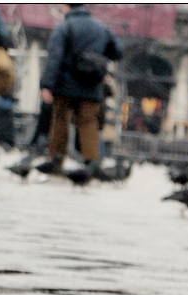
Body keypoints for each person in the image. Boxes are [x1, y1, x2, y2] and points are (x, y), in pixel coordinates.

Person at [36, 4, 122, 175]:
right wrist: (99, 56)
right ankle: (92, 163)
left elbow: (55, 58)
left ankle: (56, 161)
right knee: (89, 123)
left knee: (60, 121)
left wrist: (47, 85)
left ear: (68, 6)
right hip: (91, 86)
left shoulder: (64, 27)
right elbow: (118, 51)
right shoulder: (101, 28)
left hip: (64, 85)